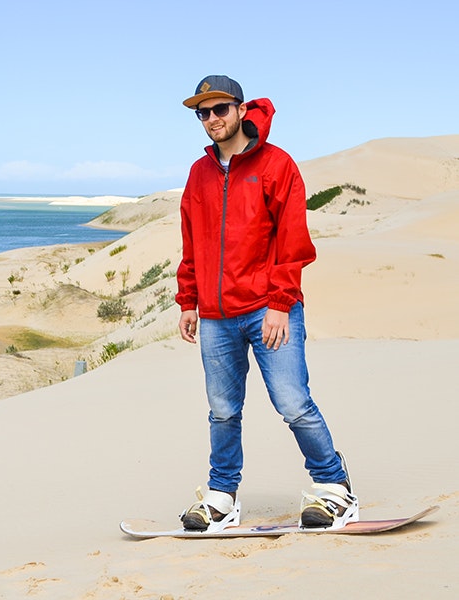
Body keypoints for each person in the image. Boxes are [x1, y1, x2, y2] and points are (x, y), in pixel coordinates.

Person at [174, 75, 359, 532]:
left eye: (220, 109)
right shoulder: (199, 173)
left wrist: (280, 303)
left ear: (241, 110)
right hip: (216, 316)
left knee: (293, 403)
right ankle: (221, 498)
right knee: (222, 411)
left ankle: (335, 488)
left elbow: (293, 242)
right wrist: (188, 299)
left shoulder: (277, 164)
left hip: (268, 308)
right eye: (203, 113)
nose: (212, 119)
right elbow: (192, 241)